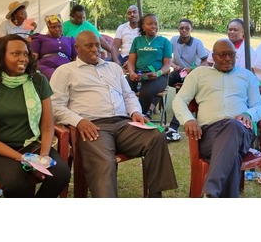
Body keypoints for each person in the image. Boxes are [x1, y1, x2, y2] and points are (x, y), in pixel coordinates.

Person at [50, 31, 177, 198]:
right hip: (93, 127)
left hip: (123, 124)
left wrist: (135, 111)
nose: (95, 49)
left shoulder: (114, 68)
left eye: (97, 45)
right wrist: (79, 121)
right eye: (89, 45)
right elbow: (55, 105)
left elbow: (128, 95)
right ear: (77, 48)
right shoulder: (65, 71)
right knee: (104, 160)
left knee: (156, 135)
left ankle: (154, 195)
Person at [0, 34, 70, 198]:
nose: (23, 59)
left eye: (25, 54)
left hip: (33, 145)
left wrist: (43, 156)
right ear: (0, 57)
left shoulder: (38, 80)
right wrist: (23, 158)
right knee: (17, 183)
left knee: (61, 174)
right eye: (15, 53)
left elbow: (47, 126)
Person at [172, 38, 261, 198]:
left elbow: (259, 105)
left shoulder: (247, 76)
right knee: (232, 157)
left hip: (241, 130)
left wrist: (248, 114)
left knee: (233, 126)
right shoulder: (199, 74)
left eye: (231, 54)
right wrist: (188, 119)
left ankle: (211, 191)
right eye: (222, 55)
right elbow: (179, 100)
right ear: (213, 56)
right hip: (210, 133)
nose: (227, 58)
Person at [166, 18, 209, 141]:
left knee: (183, 93)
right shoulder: (174, 40)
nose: (184, 30)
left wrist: (192, 69)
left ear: (191, 29)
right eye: (181, 28)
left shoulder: (197, 42)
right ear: (178, 29)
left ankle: (173, 127)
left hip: (193, 73)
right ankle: (150, 109)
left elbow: (205, 62)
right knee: (164, 81)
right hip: (179, 72)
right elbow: (167, 58)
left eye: (187, 28)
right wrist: (174, 65)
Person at [126, 13, 172, 119]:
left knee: (146, 92)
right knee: (123, 86)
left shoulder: (165, 42)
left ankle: (141, 116)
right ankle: (126, 114)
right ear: (143, 27)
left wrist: (158, 73)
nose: (154, 26)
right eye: (150, 24)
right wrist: (132, 72)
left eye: (155, 24)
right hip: (139, 74)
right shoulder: (137, 40)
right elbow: (131, 62)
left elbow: (167, 65)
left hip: (158, 76)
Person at [29, 14, 77, 80]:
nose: (57, 29)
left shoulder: (70, 40)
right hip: (45, 66)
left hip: (66, 66)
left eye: (59, 26)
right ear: (48, 28)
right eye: (53, 27)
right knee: (54, 77)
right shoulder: (40, 38)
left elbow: (76, 58)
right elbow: (33, 56)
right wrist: (30, 69)